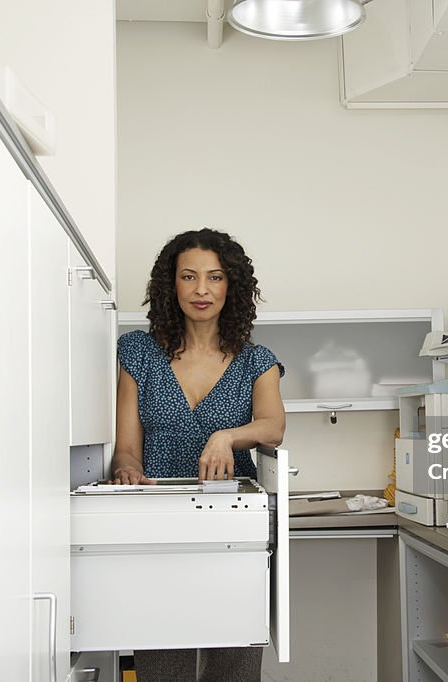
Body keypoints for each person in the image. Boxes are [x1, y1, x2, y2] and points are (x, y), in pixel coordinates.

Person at [111, 227, 286, 681]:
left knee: (234, 662)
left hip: (235, 531)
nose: (202, 290)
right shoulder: (136, 353)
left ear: (233, 286)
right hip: (158, 528)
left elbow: (274, 426)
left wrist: (227, 435)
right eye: (189, 277)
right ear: (172, 285)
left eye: (215, 277)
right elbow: (127, 448)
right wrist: (127, 469)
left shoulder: (257, 361)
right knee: (162, 661)